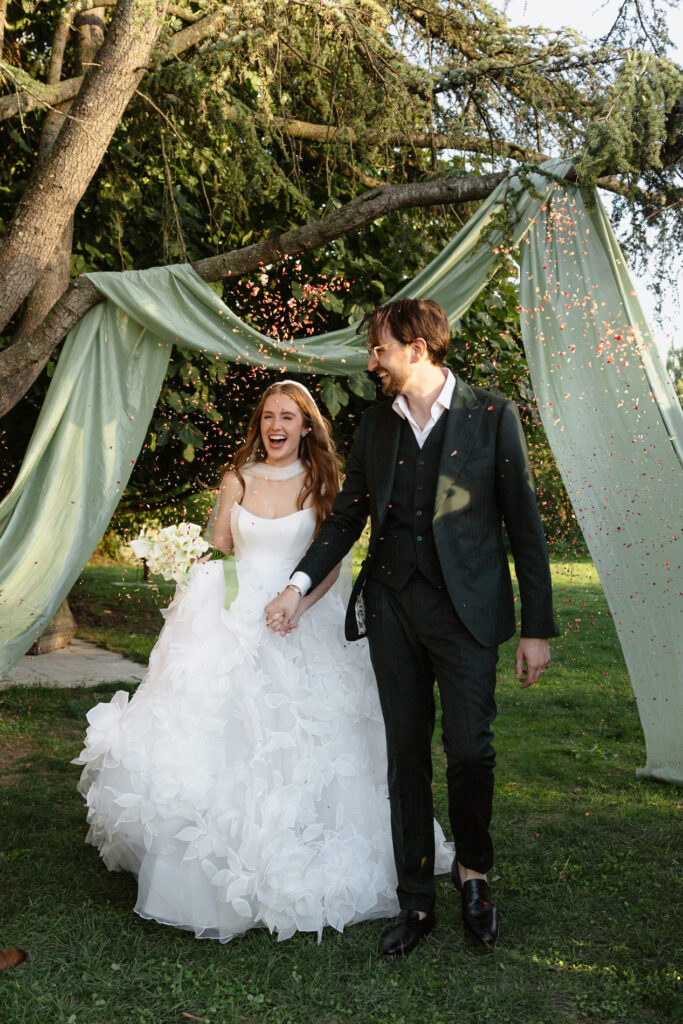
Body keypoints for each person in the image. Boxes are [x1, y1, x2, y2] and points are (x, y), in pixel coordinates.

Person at [74, 380, 452, 943]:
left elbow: (332, 556)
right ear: (261, 424)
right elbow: (223, 547)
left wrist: (300, 605)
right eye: (269, 416)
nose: (277, 425)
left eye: (288, 417)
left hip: (302, 613)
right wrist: (184, 553)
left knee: (312, 735)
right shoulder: (237, 479)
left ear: (305, 426)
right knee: (220, 729)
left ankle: (303, 852)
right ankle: (213, 864)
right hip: (237, 617)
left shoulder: (324, 482)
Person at [266, 300, 560, 956]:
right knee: (403, 753)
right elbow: (345, 519)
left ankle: (473, 874)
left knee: (469, 751)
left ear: (417, 349)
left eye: (380, 350)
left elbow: (523, 525)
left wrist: (536, 626)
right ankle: (415, 900)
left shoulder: (491, 416)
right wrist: (295, 586)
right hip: (393, 607)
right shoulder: (376, 424)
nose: (372, 361)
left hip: (466, 613)